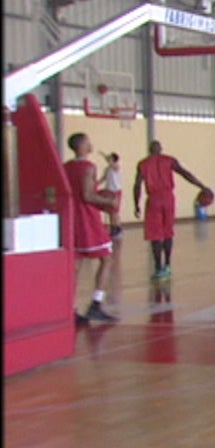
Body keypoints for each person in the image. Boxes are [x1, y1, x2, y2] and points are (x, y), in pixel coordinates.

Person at [133, 140, 212, 281]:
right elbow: (185, 174)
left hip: (153, 200)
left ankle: (158, 268)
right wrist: (201, 186)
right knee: (168, 232)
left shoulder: (143, 164)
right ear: (161, 149)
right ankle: (168, 265)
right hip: (168, 198)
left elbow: (137, 185)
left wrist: (136, 204)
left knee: (155, 236)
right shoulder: (169, 160)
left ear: (149, 150)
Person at [64, 133, 119, 324]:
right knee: (106, 259)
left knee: (75, 266)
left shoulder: (66, 167)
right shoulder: (88, 167)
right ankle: (96, 304)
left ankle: (69, 310)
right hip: (87, 218)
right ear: (82, 146)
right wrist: (108, 201)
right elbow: (88, 195)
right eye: (88, 141)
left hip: (71, 219)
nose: (91, 144)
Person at [98, 152, 123, 239]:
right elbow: (103, 178)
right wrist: (96, 184)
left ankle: (118, 228)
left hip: (116, 191)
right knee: (110, 211)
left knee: (115, 211)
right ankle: (113, 228)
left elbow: (113, 165)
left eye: (110, 158)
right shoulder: (107, 169)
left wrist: (105, 156)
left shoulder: (116, 167)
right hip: (109, 191)